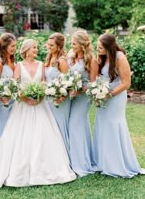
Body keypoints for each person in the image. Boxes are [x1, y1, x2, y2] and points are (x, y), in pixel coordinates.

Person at [0, 39, 76, 188]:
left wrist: (39, 97)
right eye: (34, 48)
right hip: (22, 106)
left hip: (40, 106)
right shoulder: (19, 66)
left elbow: (43, 83)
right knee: (19, 135)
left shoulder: (41, 65)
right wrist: (25, 98)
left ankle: (45, 169)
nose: (37, 50)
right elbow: (15, 85)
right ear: (26, 50)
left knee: (43, 136)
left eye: (36, 48)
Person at [94, 33, 145, 178]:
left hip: (115, 97)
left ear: (109, 47)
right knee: (102, 125)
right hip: (102, 96)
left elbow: (126, 83)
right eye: (97, 47)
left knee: (113, 125)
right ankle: (104, 162)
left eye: (101, 48)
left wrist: (109, 94)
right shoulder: (103, 58)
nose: (98, 49)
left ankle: (118, 164)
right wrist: (98, 91)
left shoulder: (120, 58)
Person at [68, 30, 98, 177]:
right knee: (78, 126)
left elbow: (93, 84)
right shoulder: (71, 56)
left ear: (81, 44)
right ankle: (78, 159)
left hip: (83, 97)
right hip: (70, 97)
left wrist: (78, 90)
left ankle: (79, 164)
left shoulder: (91, 60)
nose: (71, 45)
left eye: (74, 43)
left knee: (74, 126)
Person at [45, 32, 70, 155]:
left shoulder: (62, 61)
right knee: (51, 129)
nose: (49, 47)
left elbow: (68, 83)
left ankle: (65, 156)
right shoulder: (49, 58)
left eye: (52, 45)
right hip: (49, 100)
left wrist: (61, 96)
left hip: (60, 100)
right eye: (48, 44)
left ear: (59, 47)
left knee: (59, 127)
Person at [0, 33, 17, 142]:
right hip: (3, 101)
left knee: (12, 127)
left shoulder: (12, 60)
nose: (14, 49)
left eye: (15, 46)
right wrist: (2, 95)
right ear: (4, 46)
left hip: (13, 100)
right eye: (12, 46)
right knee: (4, 125)